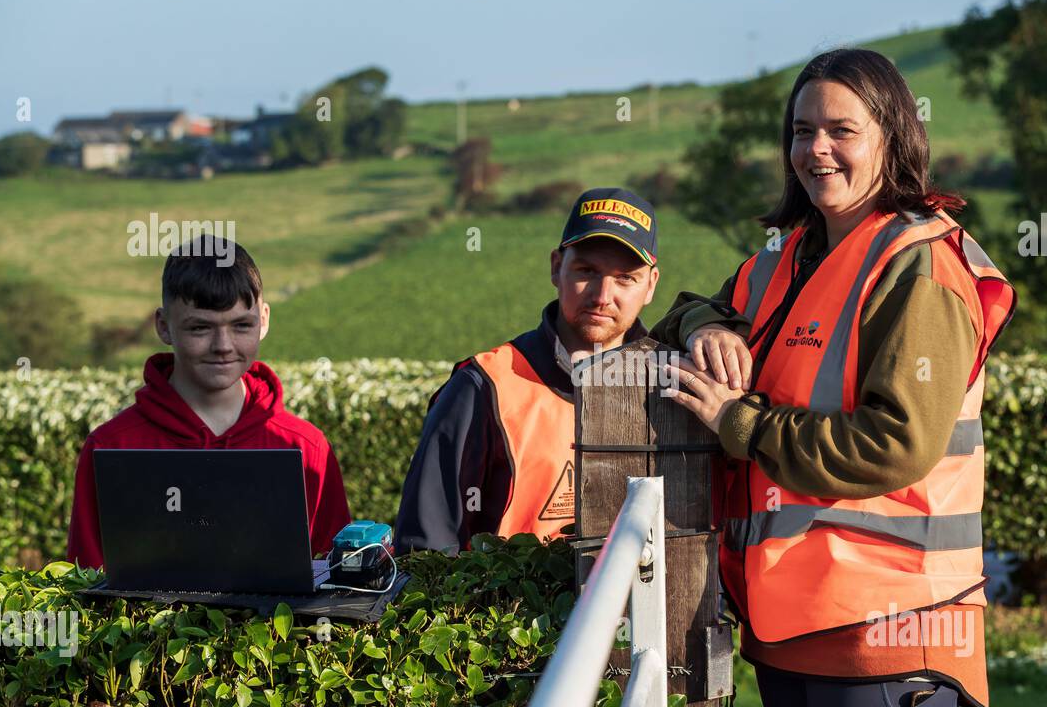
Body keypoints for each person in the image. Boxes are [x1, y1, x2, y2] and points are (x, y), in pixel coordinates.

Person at [650, 48, 1015, 707]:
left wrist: (739, 423)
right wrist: (704, 325)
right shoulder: (783, 258)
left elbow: (897, 443)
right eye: (801, 129)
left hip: (890, 624)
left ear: (893, 138)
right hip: (796, 623)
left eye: (841, 130)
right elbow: (684, 309)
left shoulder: (921, 266)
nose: (816, 149)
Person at [393, 188, 660, 554]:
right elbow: (426, 551)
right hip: (511, 611)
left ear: (651, 285)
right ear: (556, 267)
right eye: (586, 271)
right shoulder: (483, 385)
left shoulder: (669, 385)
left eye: (625, 278)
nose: (602, 295)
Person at [66, 236, 351, 569]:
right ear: (163, 326)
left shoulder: (306, 448)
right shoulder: (111, 447)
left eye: (242, 325)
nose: (223, 346)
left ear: (265, 320)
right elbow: (87, 586)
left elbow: (335, 583)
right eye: (200, 327)